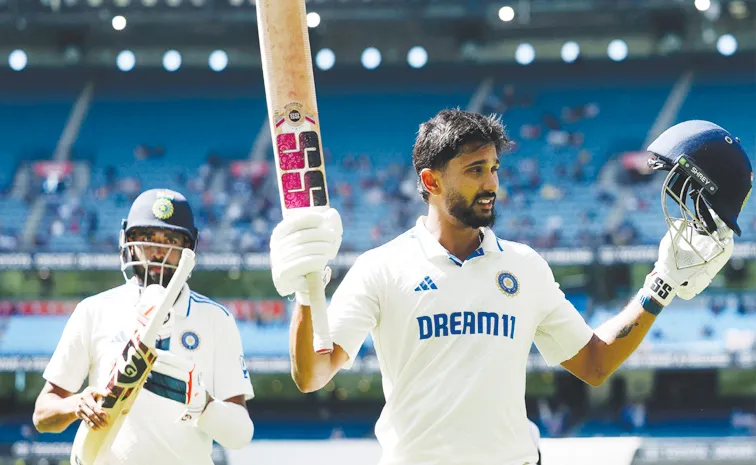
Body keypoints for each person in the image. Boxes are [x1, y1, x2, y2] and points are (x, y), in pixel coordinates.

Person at [269, 112, 750, 465]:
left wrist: (659, 287)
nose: (491, 184)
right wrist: (304, 291)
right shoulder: (382, 267)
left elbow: (594, 363)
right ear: (431, 180)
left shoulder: (525, 267)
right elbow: (312, 375)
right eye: (475, 170)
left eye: (494, 169)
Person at [32, 189, 254, 464]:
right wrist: (75, 404)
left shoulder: (215, 319)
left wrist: (203, 404)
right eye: (147, 238)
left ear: (189, 248)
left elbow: (240, 435)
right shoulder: (94, 311)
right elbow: (42, 415)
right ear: (128, 242)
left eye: (171, 239)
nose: (159, 251)